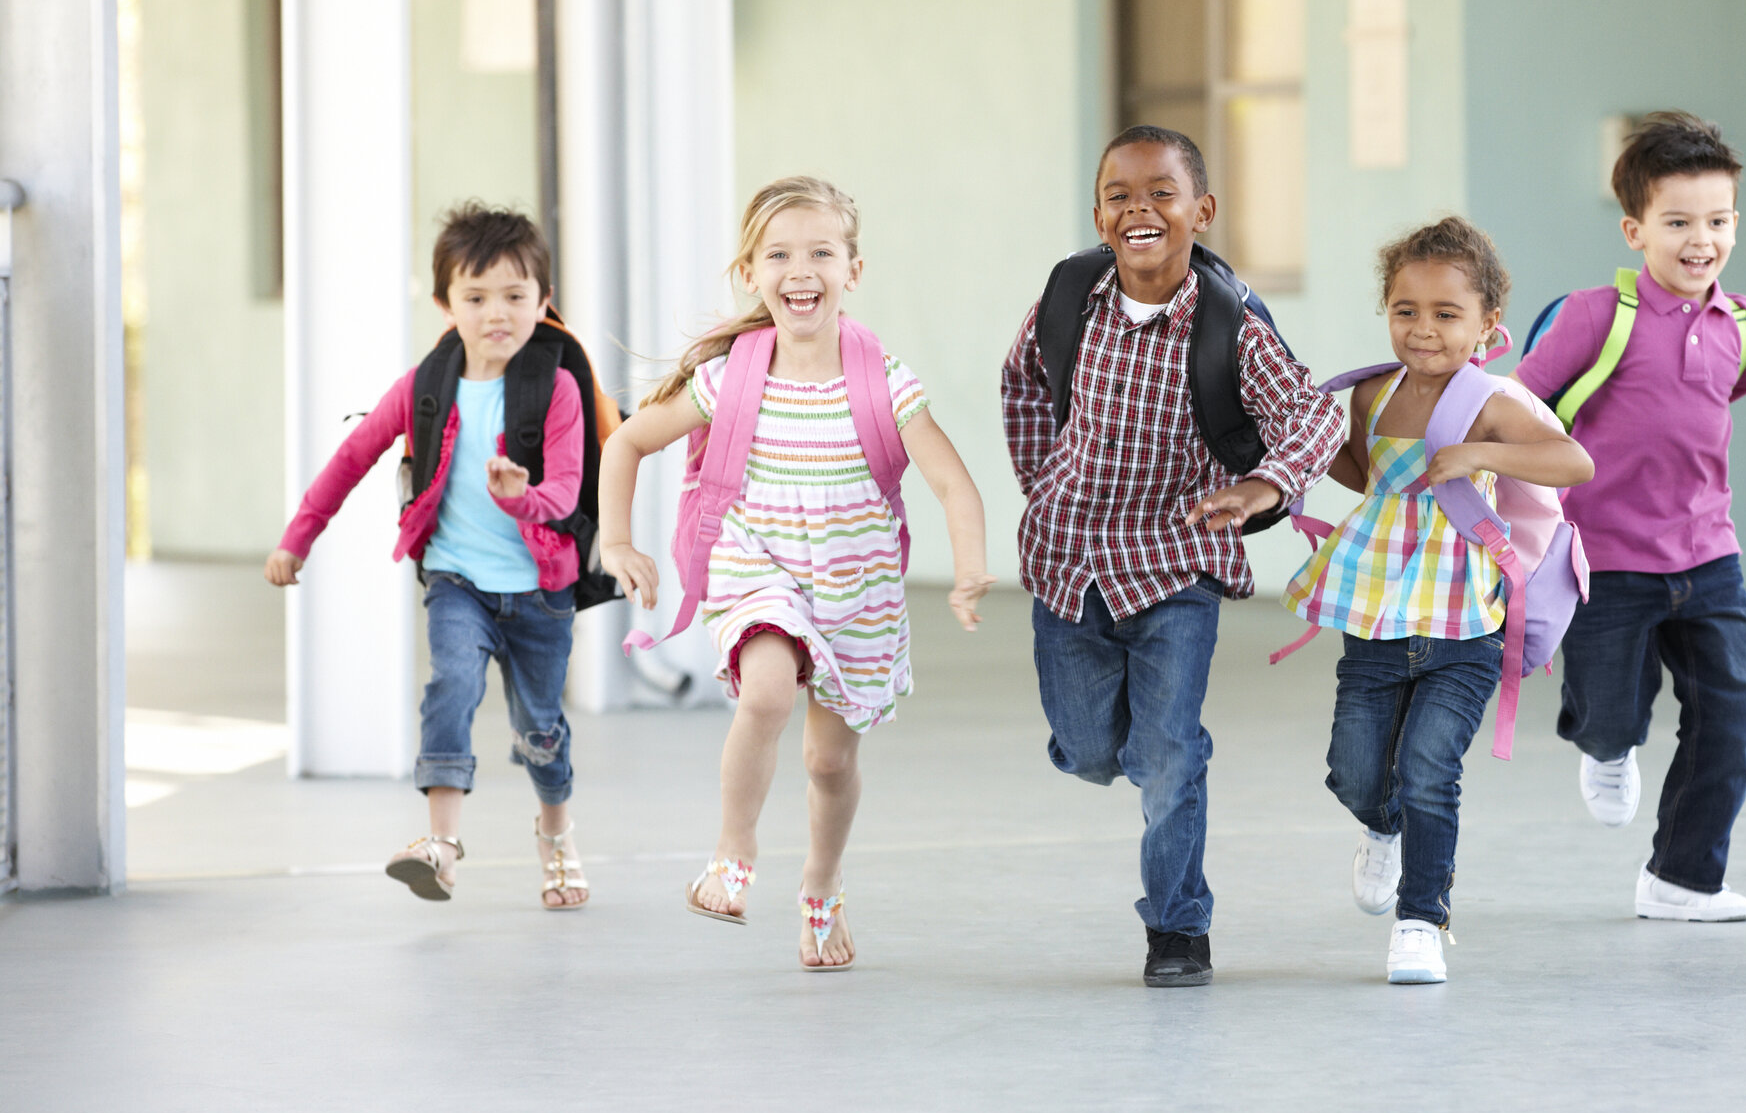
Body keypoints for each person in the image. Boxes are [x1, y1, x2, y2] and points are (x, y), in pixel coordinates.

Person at [599, 177, 992, 971]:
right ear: (751, 272)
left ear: (854, 268)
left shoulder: (884, 380)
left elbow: (952, 481)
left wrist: (971, 567)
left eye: (820, 251)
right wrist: (617, 542)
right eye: (778, 253)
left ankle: (821, 883)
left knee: (828, 761)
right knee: (768, 691)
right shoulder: (729, 379)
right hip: (761, 568)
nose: (799, 267)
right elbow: (627, 443)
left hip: (856, 589)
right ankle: (732, 851)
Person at [1511, 111, 1746, 922]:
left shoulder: (1743, 324)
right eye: (1678, 222)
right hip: (1604, 558)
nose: (1700, 240)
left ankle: (1681, 877)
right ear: (1635, 229)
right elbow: (1517, 404)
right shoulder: (1594, 315)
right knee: (1613, 710)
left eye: (1716, 222)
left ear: (1734, 224)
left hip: (1707, 556)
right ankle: (1607, 746)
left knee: (1734, 706)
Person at [1002, 126, 1342, 987]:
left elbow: (1317, 416)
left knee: (1170, 752)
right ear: (1099, 213)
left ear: (1203, 210)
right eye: (1120, 194)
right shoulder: (1070, 296)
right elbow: (1022, 382)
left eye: (1162, 192)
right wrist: (1042, 481)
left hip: (1173, 566)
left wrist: (1265, 486)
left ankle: (1178, 927)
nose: (1140, 209)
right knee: (1087, 750)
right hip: (1068, 560)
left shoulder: (1231, 324)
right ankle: (1135, 756)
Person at [1283, 217, 1593, 984]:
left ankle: (1422, 918)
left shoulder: (1492, 400)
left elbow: (1574, 461)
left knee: (1430, 764)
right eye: (1406, 310)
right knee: (1355, 768)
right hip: (1378, 613)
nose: (1423, 329)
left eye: (1447, 314)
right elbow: (1361, 473)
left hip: (1464, 619)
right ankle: (1381, 825)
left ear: (1489, 325)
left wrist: (1484, 451)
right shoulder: (1371, 396)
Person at [267, 204, 598, 909]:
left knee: (539, 729)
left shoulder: (556, 387)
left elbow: (566, 490)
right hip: (459, 581)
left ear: (544, 302)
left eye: (516, 296)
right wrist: (299, 536)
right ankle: (442, 845)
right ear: (447, 304)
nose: (497, 313)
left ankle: (556, 831)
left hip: (541, 593)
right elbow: (353, 457)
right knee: (451, 683)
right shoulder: (426, 384)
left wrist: (521, 496)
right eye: (476, 297)